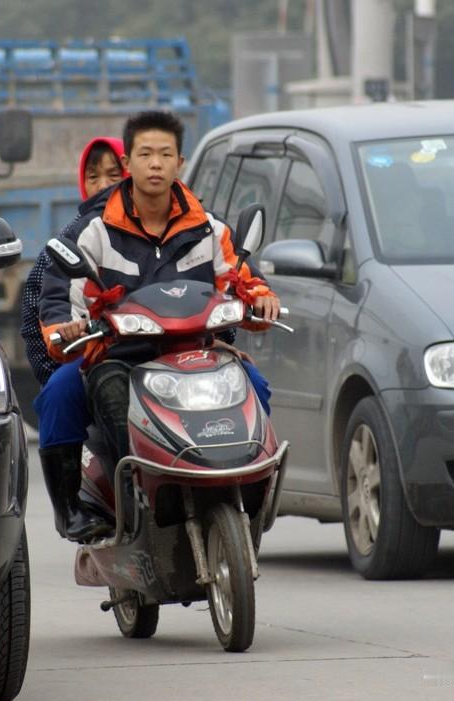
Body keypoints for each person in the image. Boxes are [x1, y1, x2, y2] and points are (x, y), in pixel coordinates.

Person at [39, 110, 280, 493]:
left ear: (180, 163)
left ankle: (250, 490)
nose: (156, 164)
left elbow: (242, 278)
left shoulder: (209, 229)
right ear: (128, 162)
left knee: (255, 384)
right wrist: (65, 330)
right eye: (146, 154)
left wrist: (262, 301)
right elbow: (60, 297)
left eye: (166, 155)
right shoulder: (93, 232)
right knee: (63, 393)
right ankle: (116, 495)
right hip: (118, 355)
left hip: (197, 354)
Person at [20, 137, 126, 542]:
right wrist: (64, 350)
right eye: (93, 176)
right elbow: (37, 314)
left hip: (169, 354)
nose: (103, 185)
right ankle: (69, 509)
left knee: (248, 381)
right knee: (60, 390)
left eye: (114, 175)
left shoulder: (176, 222)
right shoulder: (70, 239)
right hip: (99, 357)